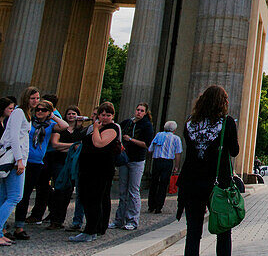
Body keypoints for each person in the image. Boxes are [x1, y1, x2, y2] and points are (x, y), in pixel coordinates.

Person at [176, 85, 248, 256]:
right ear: (222, 102)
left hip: (190, 182)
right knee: (222, 231)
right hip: (217, 184)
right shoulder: (226, 123)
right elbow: (234, 151)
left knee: (193, 235)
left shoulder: (190, 123)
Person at [11, 97, 65, 239]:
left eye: (43, 110)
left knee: (27, 193)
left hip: (37, 162)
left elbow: (65, 126)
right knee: (18, 194)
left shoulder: (50, 124)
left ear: (48, 112)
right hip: (24, 160)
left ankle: (19, 225)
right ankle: (9, 224)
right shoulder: (29, 121)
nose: (40, 112)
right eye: (38, 109)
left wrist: (53, 114)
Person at [69, 102, 120, 242]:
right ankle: (95, 227)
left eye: (108, 115)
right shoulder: (95, 127)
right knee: (87, 197)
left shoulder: (112, 128)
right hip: (88, 168)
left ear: (112, 116)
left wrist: (96, 129)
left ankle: (91, 230)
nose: (104, 118)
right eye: (102, 115)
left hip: (100, 169)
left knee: (94, 199)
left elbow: (99, 143)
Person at [112, 102, 154, 230]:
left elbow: (147, 144)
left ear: (146, 112)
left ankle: (132, 220)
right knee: (123, 191)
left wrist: (130, 139)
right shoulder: (127, 123)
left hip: (137, 160)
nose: (139, 112)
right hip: (125, 159)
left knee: (133, 191)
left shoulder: (147, 126)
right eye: (137, 110)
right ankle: (119, 219)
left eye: (141, 110)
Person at [47, 106, 86, 228]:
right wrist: (72, 146)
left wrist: (64, 147)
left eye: (74, 113)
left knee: (67, 192)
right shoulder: (60, 129)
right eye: (69, 113)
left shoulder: (80, 131)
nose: (71, 116)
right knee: (58, 190)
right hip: (58, 161)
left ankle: (59, 220)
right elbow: (55, 145)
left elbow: (80, 147)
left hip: (71, 164)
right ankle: (54, 218)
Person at [0, 94, 29, 247]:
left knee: (5, 196)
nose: (36, 102)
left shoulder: (18, 114)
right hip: (13, 161)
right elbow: (14, 138)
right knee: (15, 196)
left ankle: (0, 231)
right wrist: (19, 160)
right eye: (33, 98)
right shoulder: (19, 113)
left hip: (12, 160)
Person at [148, 121, 183, 214]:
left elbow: (150, 149)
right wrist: (176, 166)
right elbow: (178, 153)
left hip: (157, 161)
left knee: (154, 182)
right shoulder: (176, 138)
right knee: (163, 184)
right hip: (167, 162)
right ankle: (159, 206)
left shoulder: (158, 135)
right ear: (175, 130)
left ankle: (151, 205)